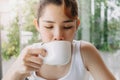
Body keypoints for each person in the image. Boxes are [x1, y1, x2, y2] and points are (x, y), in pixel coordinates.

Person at [2, 0, 116, 80]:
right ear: (37, 25)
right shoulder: (29, 55)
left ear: (76, 25)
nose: (58, 36)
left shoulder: (84, 52)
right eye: (49, 27)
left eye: (67, 27)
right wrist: (16, 70)